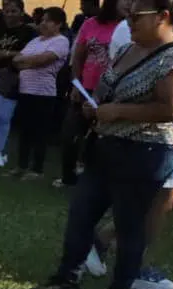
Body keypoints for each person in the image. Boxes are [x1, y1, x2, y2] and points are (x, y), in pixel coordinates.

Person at [29, 0, 173, 289]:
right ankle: (66, 280)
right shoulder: (128, 49)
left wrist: (118, 111)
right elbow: (109, 85)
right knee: (81, 214)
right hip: (105, 144)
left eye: (137, 16)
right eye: (129, 14)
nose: (129, 21)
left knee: (129, 225)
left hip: (144, 150)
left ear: (163, 17)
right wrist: (95, 104)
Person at [57, 0, 127, 187]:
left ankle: (95, 178)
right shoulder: (91, 24)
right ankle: (68, 176)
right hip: (85, 88)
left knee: (102, 137)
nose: (130, 4)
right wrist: (76, 84)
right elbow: (78, 56)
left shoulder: (129, 27)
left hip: (114, 92)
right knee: (70, 133)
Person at [11, 7, 70, 180]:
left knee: (39, 132)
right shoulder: (35, 41)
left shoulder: (61, 41)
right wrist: (28, 62)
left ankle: (37, 169)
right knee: (25, 131)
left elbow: (44, 60)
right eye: (42, 20)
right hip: (25, 90)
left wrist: (26, 62)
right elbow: (16, 59)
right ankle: (21, 165)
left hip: (43, 93)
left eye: (47, 20)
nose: (43, 23)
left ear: (58, 24)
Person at [0, 0, 37, 166]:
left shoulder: (28, 32)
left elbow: (30, 53)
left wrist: (8, 53)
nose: (9, 14)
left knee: (4, 116)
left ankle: (0, 152)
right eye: (6, 11)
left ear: (21, 12)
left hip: (13, 77)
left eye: (13, 11)